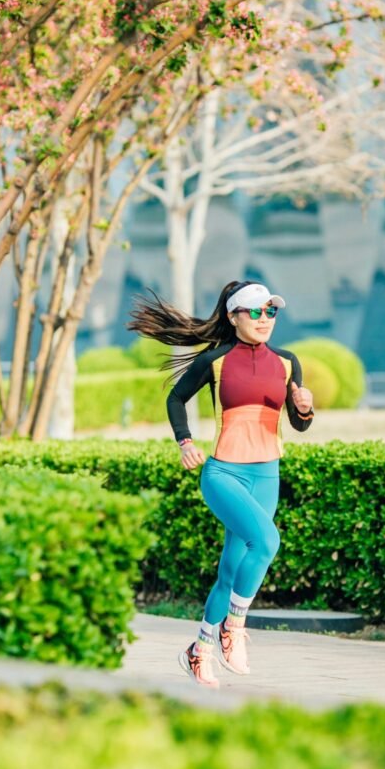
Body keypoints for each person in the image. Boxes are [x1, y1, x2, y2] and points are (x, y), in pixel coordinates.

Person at [128, 280, 314, 687]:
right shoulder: (214, 361)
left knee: (231, 571)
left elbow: (299, 424)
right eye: (255, 312)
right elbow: (176, 398)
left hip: (268, 473)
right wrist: (185, 442)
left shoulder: (287, 362)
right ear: (233, 317)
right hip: (224, 473)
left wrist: (305, 409)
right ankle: (234, 626)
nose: (265, 319)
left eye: (271, 311)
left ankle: (200, 649)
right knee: (267, 543)